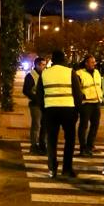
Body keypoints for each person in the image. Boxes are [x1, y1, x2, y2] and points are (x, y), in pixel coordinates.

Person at [39, 48, 79, 178]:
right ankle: (67, 168)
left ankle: (52, 168)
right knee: (70, 140)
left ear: (53, 60)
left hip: (50, 110)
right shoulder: (70, 72)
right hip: (68, 109)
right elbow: (77, 93)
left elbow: (39, 95)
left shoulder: (45, 73)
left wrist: (44, 110)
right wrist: (77, 110)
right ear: (64, 59)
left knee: (51, 140)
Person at [75, 54, 104, 156]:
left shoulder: (96, 72)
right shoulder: (79, 73)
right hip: (86, 104)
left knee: (95, 126)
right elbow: (77, 89)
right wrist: (82, 97)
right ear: (86, 63)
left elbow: (99, 86)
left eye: (94, 62)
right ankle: (83, 148)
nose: (94, 64)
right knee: (84, 126)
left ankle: (90, 145)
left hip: (96, 102)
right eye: (92, 62)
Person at [23, 55, 46, 152]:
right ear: (36, 65)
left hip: (45, 103)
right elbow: (26, 90)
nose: (44, 67)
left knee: (44, 125)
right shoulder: (31, 76)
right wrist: (36, 98)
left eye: (45, 65)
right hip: (35, 104)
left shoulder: (46, 74)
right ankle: (33, 145)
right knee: (36, 124)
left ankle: (42, 144)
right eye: (42, 65)